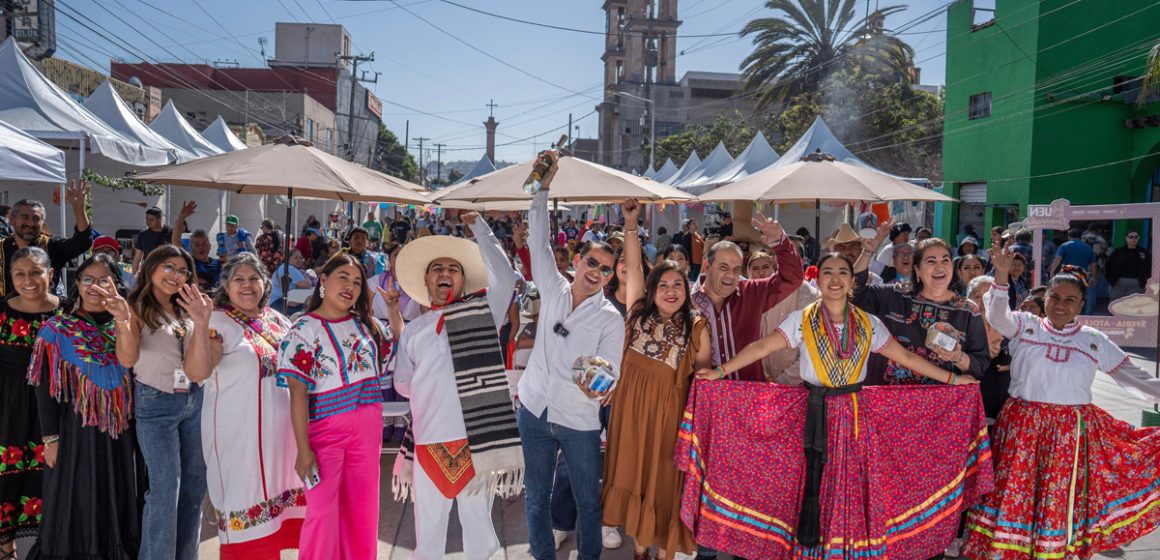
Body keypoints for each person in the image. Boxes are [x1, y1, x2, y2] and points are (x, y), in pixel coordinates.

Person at [683, 252, 986, 560]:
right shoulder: (802, 319)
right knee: (809, 485)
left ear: (852, 281)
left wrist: (951, 380)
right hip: (812, 415)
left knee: (850, 487)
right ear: (818, 280)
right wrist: (720, 372)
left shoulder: (869, 323)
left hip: (854, 418)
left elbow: (907, 358)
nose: (836, 279)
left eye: (843, 272)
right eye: (828, 272)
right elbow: (762, 347)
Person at [964, 251, 1160, 559]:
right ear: (1044, 299)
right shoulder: (1026, 326)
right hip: (1022, 428)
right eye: (1054, 297)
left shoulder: (1093, 340)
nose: (1060, 305)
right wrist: (1000, 276)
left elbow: (1134, 378)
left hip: (1068, 435)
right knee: (1017, 492)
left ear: (1081, 305)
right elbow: (997, 317)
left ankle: (1048, 552)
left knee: (1055, 498)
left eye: (1070, 300)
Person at [390, 212, 522, 560]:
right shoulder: (414, 332)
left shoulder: (483, 314)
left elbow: (506, 279)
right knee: (428, 535)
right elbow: (402, 384)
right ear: (427, 281)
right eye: (437, 269)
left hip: (477, 443)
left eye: (453, 269)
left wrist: (480, 228)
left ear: (463, 281)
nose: (445, 274)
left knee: (478, 533)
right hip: (428, 445)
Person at [520, 152, 626, 560]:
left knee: (588, 503)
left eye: (605, 269)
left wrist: (596, 381)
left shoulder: (609, 319)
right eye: (591, 262)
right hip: (533, 410)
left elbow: (609, 373)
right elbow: (537, 241)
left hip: (579, 420)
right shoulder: (552, 286)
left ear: (610, 276)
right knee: (535, 499)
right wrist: (544, 189)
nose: (595, 271)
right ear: (579, 260)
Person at [601, 200, 711, 560]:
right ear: (651, 289)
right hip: (630, 419)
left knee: (664, 490)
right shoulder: (636, 315)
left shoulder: (696, 328)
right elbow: (633, 267)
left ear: (687, 289)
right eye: (662, 284)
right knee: (633, 481)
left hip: (670, 425)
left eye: (677, 284)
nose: (670, 290)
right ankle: (640, 553)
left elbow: (704, 386)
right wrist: (630, 225)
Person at [26, 254, 144, 560]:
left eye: (104, 279)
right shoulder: (56, 329)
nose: (95, 286)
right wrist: (50, 438)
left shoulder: (129, 323)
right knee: (75, 496)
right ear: (76, 284)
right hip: (75, 430)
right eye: (87, 279)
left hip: (121, 429)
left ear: (116, 285)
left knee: (116, 493)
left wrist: (123, 320)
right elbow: (43, 387)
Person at [277, 254, 387, 559]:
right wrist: (303, 449)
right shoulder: (303, 330)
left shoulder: (367, 326)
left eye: (356, 282)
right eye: (343, 277)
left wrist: (393, 311)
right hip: (325, 434)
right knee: (322, 512)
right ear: (323, 281)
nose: (350, 286)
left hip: (368, 433)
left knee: (363, 512)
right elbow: (297, 394)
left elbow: (393, 354)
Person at [197, 254, 304, 559]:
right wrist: (201, 322)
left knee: (279, 518)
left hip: (282, 441)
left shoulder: (279, 320)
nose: (247, 285)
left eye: (253, 278)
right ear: (226, 286)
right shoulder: (217, 322)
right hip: (240, 441)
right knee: (246, 520)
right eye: (238, 279)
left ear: (265, 283)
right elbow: (199, 371)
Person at [115, 245, 212, 560]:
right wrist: (121, 323)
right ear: (152, 268)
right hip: (155, 404)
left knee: (194, 489)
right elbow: (127, 358)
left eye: (183, 270)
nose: (176, 275)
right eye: (169, 267)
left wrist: (200, 321)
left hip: (193, 402)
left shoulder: (188, 308)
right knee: (165, 491)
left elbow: (198, 371)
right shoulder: (135, 306)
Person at [854, 223, 990, 386]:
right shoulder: (896, 295)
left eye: (945, 261)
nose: (940, 267)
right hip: (890, 398)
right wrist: (867, 252)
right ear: (917, 270)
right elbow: (855, 293)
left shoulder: (967, 310)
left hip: (941, 403)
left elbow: (980, 364)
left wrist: (957, 357)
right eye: (931, 261)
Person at [0, 248, 60, 558]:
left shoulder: (68, 313)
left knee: (48, 477)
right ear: (11, 277)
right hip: (7, 410)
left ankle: (41, 546)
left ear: (50, 273)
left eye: (36, 272)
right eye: (20, 274)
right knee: (6, 477)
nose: (29, 280)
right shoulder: (1, 312)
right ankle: (5, 546)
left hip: (52, 413)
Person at [692, 217, 804, 382]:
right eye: (724, 268)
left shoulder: (751, 293)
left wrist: (780, 243)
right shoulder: (687, 301)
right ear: (707, 266)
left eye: (737, 269)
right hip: (704, 400)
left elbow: (792, 279)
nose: (730, 275)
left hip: (749, 399)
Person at [0, 182, 93, 298]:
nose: (30, 223)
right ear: (13, 220)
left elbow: (83, 242)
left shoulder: (52, 245)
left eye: (36, 219)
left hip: (46, 313)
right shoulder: (2, 247)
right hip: (6, 314)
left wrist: (79, 209)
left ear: (42, 222)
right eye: (25, 217)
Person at [171, 201, 223, 288]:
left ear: (209, 246)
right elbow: (176, 242)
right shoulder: (189, 261)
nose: (201, 247)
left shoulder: (218, 264)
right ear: (191, 247)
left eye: (204, 244)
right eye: (197, 245)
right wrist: (181, 217)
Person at [1106, 230, 1151, 300]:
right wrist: (1111, 279)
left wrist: (1145, 281)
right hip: (1118, 283)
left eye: (1136, 237)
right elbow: (1108, 265)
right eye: (1131, 237)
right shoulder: (1118, 252)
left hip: (1137, 284)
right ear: (1126, 238)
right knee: (1116, 306)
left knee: (1133, 306)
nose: (1133, 239)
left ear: (1138, 238)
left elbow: (1149, 267)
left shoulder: (1144, 253)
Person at [270, 250, 314, 314]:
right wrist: (306, 276)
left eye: (301, 258)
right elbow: (307, 284)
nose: (299, 260)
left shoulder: (283, 267)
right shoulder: (290, 268)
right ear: (288, 259)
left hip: (274, 303)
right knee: (309, 311)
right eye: (296, 258)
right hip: (280, 303)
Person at [132, 206, 172, 274]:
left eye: (151, 219)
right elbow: (137, 258)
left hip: (166, 271)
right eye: (147, 219)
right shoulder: (143, 234)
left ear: (159, 219)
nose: (148, 222)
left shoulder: (170, 232)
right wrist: (133, 276)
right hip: (148, 270)